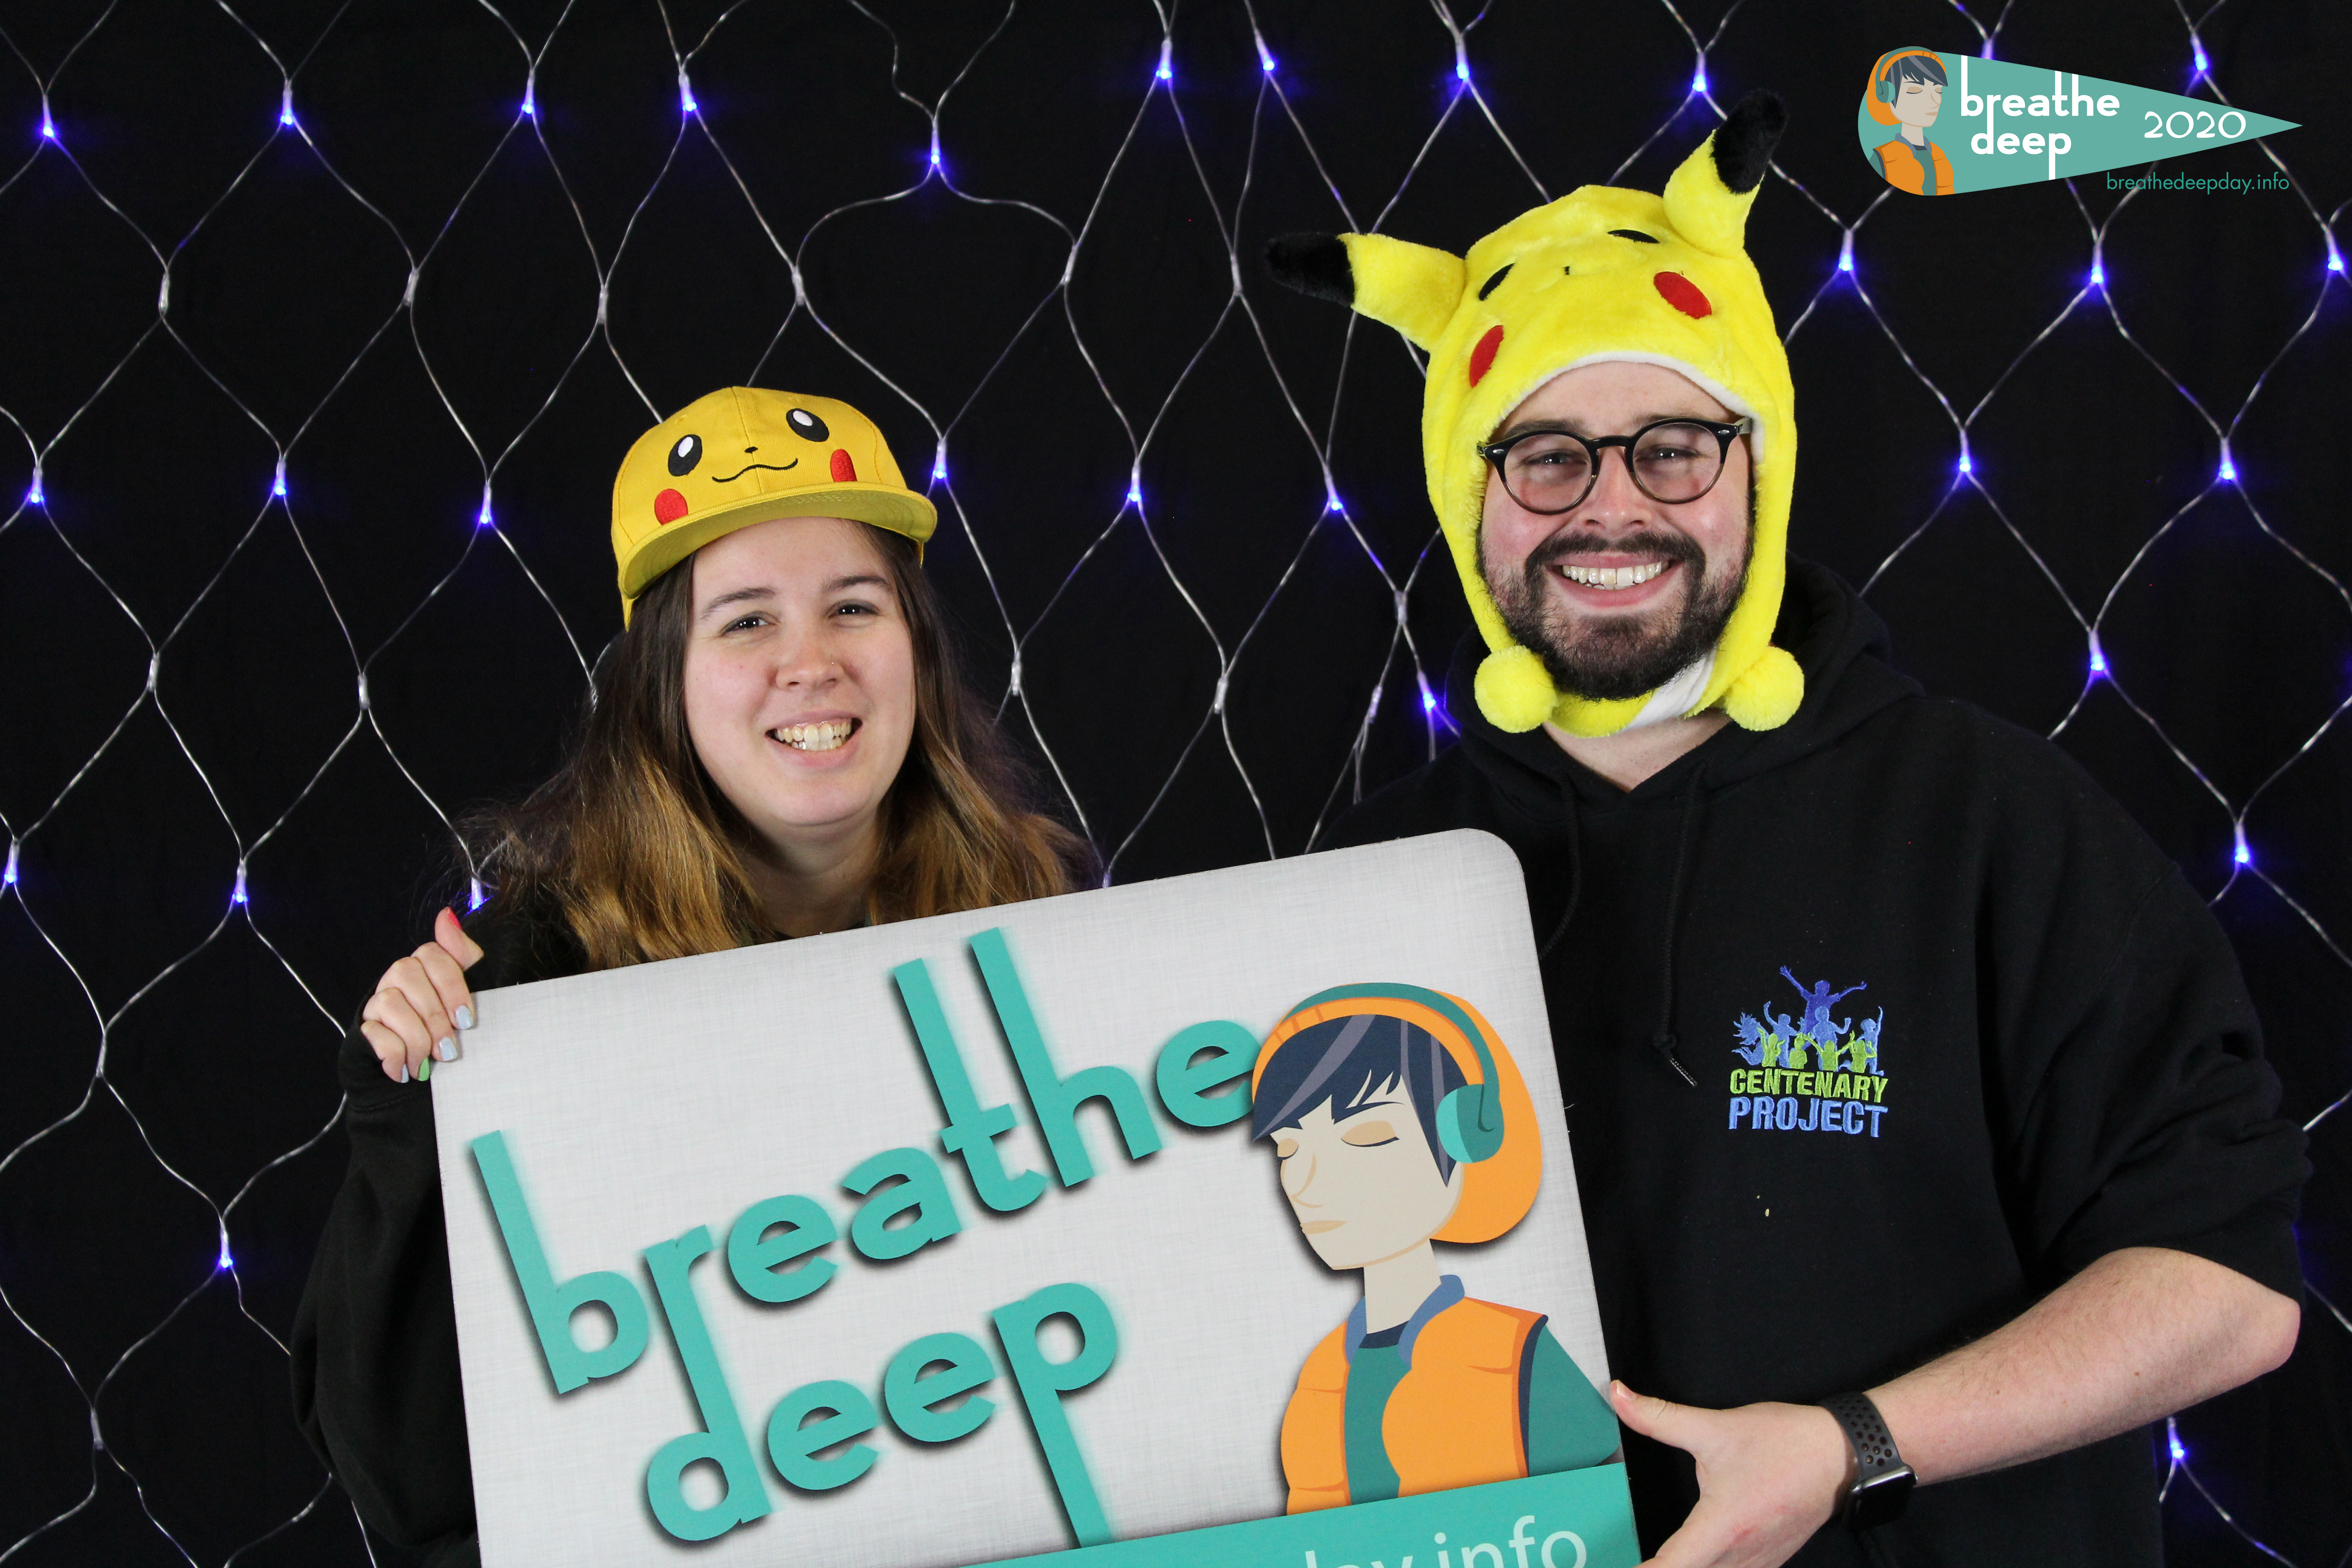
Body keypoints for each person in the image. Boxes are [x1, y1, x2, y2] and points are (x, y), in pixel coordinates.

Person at [1267, 93, 2304, 1567]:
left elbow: (2226, 1289)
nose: (1609, 508)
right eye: (1544, 455)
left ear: (1759, 460)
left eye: (1673, 448)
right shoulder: (1360, 889)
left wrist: (1850, 1447)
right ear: (1467, 492)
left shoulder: (1993, 823)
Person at [290, 387, 1087, 1568]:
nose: (810, 663)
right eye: (747, 621)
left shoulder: (1039, 921)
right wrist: (412, 1116)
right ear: (665, 682)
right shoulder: (530, 973)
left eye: (854, 606)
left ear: (916, 648)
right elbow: (403, 1481)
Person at [1250, 985, 1621, 1513]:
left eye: (1366, 1135)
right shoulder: (1321, 1376)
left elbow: (1600, 1515)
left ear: (1470, 1138)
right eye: (1289, 1147)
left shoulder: (1519, 1354)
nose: (1309, 1180)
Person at [1865, 50, 1955, 196]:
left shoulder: (1941, 157)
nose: (1933, 100)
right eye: (1916, 90)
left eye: (1938, 90)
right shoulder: (1882, 159)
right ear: (1887, 95)